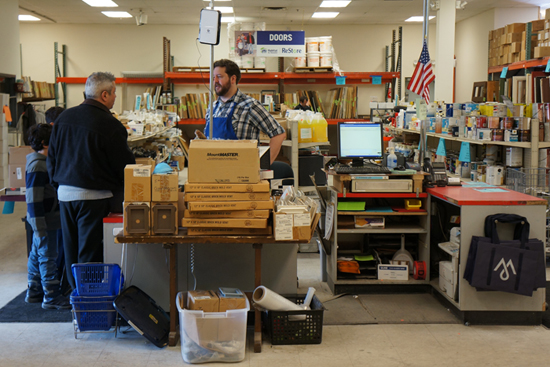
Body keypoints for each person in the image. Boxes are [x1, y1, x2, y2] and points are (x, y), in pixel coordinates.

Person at [47, 71, 135, 291]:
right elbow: (124, 166)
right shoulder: (110, 125)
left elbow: (52, 157)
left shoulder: (63, 118)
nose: (115, 97)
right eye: (114, 92)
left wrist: (58, 185)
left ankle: (75, 298)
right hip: (94, 198)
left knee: (71, 251)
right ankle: (90, 303)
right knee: (89, 254)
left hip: (65, 195)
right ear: (104, 95)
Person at [204, 59, 286, 164]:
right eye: (213, 77)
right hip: (213, 170)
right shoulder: (213, 107)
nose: (215, 81)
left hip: (242, 174)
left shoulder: (250, 105)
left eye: (219, 77)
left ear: (233, 79)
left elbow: (278, 134)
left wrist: (260, 166)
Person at [25, 123, 71, 310]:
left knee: (37, 255)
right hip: (45, 222)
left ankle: (34, 292)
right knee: (48, 257)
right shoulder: (38, 166)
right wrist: (39, 228)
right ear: (45, 143)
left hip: (46, 220)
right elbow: (33, 200)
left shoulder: (43, 164)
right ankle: (51, 296)